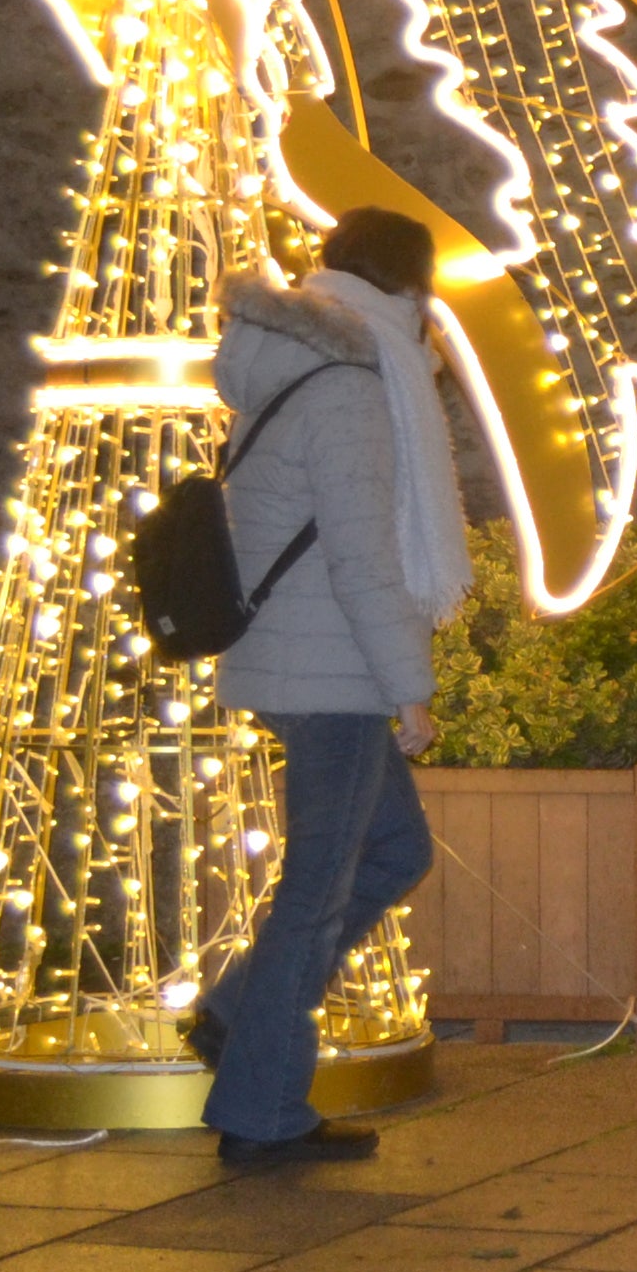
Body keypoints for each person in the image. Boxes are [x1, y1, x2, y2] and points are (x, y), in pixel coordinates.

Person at [186, 205, 476, 1166]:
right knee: (315, 892)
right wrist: (411, 687)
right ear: (407, 284)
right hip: (334, 669)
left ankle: (238, 1016)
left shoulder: (290, 359)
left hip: (291, 653)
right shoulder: (352, 380)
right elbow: (360, 556)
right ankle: (262, 1110)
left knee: (393, 850)